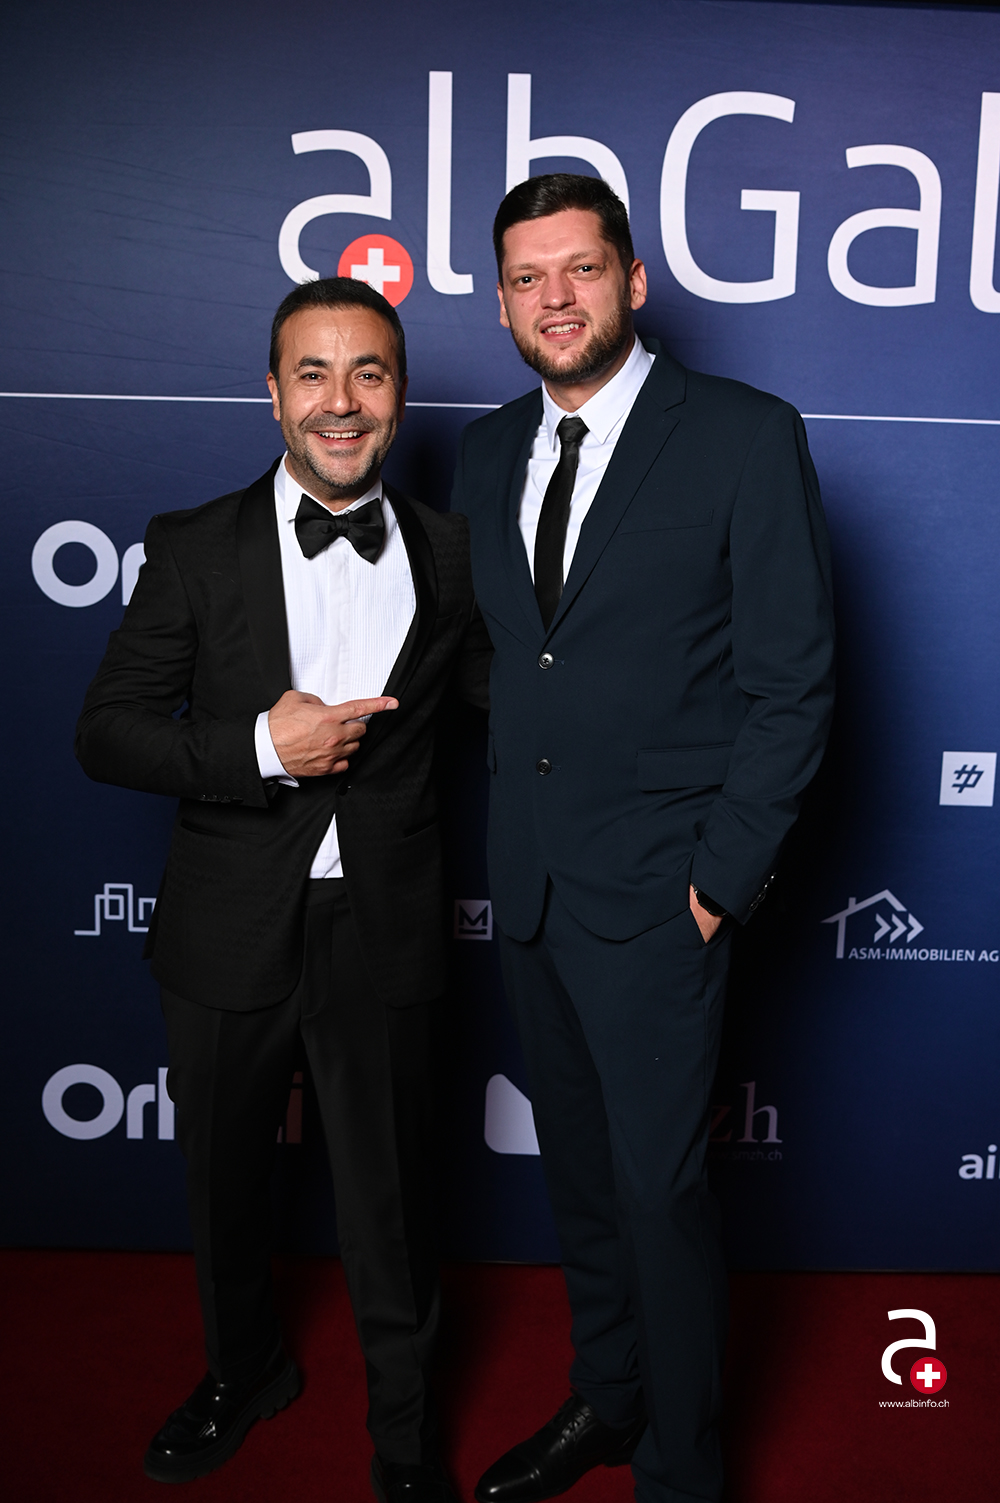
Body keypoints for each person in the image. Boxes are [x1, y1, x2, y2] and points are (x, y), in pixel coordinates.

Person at [452, 175, 835, 1503]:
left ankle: (681, 1466)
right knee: (578, 1175)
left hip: (666, 894)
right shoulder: (487, 451)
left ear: (632, 280)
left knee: (659, 1191)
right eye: (526, 277)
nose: (553, 297)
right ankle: (608, 1397)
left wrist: (718, 881)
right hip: (533, 881)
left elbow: (794, 683)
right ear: (502, 303)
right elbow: (512, 658)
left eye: (578, 268)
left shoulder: (741, 434)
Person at [76, 276, 489, 1503]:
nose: (340, 401)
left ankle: (405, 1431)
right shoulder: (192, 544)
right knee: (226, 1186)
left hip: (385, 923)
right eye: (312, 373)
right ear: (272, 395)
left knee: (393, 1198)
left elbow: (508, 710)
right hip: (227, 919)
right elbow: (108, 732)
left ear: (399, 395)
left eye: (368, 372)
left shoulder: (455, 553)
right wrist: (263, 744)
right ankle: (243, 1370)